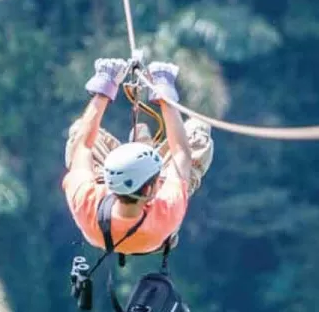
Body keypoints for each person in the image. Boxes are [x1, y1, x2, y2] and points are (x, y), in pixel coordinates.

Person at [63, 58, 215, 257]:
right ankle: (143, 144)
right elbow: (182, 153)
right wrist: (164, 93)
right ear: (153, 189)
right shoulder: (166, 209)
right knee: (198, 131)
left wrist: (105, 86)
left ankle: (141, 146)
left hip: (111, 223)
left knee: (79, 132)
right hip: (155, 235)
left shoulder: (87, 201)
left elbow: (83, 145)